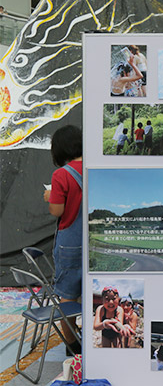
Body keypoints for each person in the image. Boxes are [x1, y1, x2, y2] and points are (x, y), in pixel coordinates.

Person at [43, 125, 83, 356]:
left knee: (68, 296)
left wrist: (50, 197)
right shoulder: (94, 167)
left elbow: (57, 211)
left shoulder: (61, 174)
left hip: (69, 243)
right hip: (92, 242)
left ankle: (72, 347)